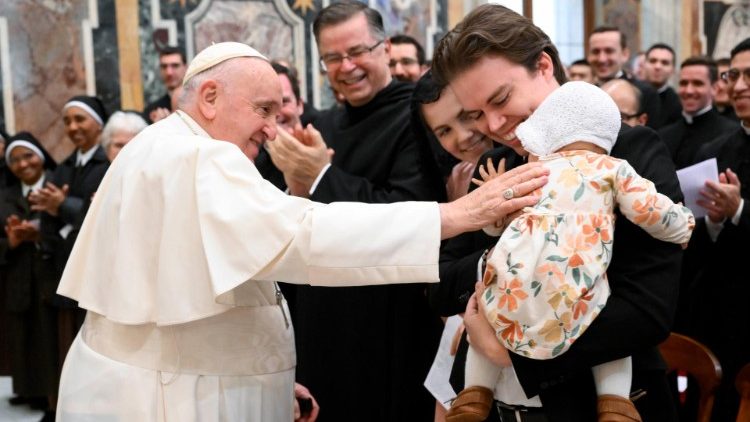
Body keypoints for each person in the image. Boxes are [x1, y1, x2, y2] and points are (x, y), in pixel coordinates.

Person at [53, 41, 549, 422]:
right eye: (264, 109)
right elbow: (303, 235)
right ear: (209, 97)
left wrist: (268, 380)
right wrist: (456, 214)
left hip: (179, 380)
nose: (273, 129)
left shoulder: (163, 146)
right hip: (172, 396)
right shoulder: (198, 155)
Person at [432, 5, 686, 420]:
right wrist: (503, 264)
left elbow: (647, 309)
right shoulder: (494, 166)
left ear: (544, 65)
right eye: (476, 114)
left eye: (501, 98)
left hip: (593, 402)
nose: (494, 124)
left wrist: (512, 353)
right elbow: (440, 284)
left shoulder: (629, 152)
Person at [266, 3, 451, 420]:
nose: (346, 66)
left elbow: (408, 212)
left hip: (387, 320)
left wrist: (320, 178)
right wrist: (297, 188)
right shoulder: (325, 126)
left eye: (357, 52)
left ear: (385, 48)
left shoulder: (417, 118)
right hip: (323, 317)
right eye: (333, 57)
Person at [686, 37, 750, 422]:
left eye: (749, 76)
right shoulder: (714, 149)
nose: (739, 85)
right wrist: (712, 220)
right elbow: (693, 237)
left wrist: (740, 209)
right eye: (734, 74)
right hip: (722, 314)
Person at [0, 133, 58, 420]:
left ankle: (52, 396)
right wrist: (10, 241)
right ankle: (30, 390)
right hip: (19, 277)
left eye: (28, 156)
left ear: (41, 155)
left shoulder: (58, 185)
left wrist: (41, 234)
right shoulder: (5, 197)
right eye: (14, 160)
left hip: (53, 276)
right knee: (24, 336)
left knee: (52, 338)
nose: (23, 164)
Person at [658, 56, 738, 169]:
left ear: (714, 88)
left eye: (697, 83)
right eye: (683, 83)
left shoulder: (731, 134)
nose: (689, 91)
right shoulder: (663, 136)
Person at [588, 26, 663, 129]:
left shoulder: (645, 93)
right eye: (596, 52)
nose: (602, 59)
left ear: (625, 54)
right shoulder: (585, 93)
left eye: (609, 51)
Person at [143, 46, 187, 123]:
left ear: (185, 67)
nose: (169, 72)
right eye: (164, 66)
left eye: (175, 65)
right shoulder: (152, 111)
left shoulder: (198, 105)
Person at [643, 43, 682, 126]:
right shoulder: (631, 95)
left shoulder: (678, 104)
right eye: (653, 61)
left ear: (673, 70)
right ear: (644, 65)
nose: (658, 66)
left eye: (665, 63)